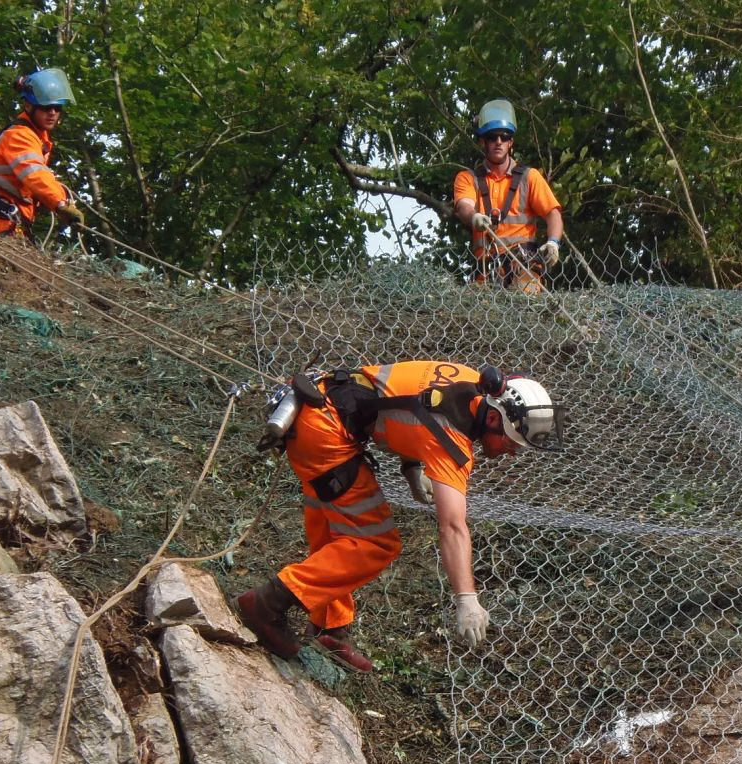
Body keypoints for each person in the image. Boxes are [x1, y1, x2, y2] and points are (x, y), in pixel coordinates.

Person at [237, 362, 561, 673]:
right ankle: (266, 605)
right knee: (374, 544)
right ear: (493, 419)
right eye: (511, 441)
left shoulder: (467, 378)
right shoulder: (452, 444)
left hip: (319, 405)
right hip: (326, 432)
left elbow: (406, 398)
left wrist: (412, 466)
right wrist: (467, 599)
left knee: (335, 534)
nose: (513, 451)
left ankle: (329, 628)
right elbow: (452, 527)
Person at [452, 100, 564, 293]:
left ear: (510, 142)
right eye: (492, 137)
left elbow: (553, 214)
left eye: (504, 137)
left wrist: (553, 242)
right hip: (485, 274)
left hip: (523, 269)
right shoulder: (468, 178)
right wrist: (474, 216)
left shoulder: (530, 177)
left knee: (525, 308)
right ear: (482, 141)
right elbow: (464, 206)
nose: (498, 142)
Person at [0, 69, 85, 236]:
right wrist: (61, 204)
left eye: (57, 107)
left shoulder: (37, 139)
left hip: (11, 223)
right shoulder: (19, 135)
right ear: (29, 106)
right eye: (46, 107)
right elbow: (35, 174)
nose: (52, 113)